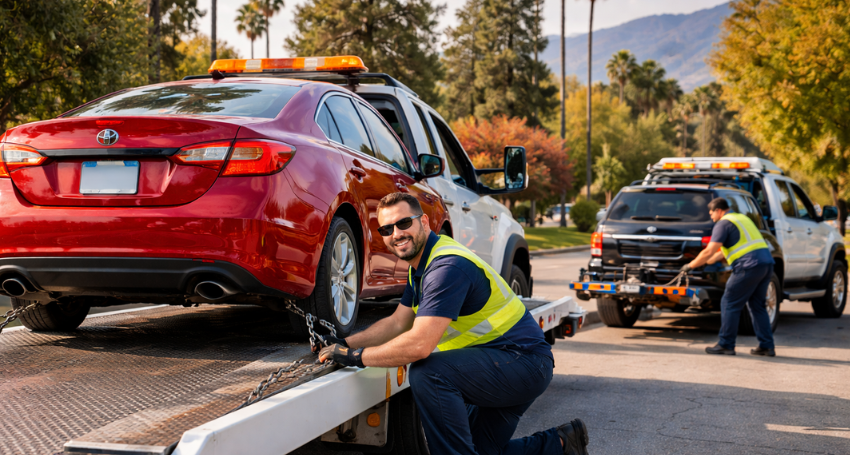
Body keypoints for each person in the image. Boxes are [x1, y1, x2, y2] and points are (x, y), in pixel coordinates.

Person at [318, 192, 590, 455]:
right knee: (480, 450)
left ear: (424, 222)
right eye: (387, 229)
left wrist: (356, 357)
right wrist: (344, 343)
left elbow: (419, 346)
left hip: (522, 363)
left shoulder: (446, 268)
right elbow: (398, 323)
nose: (396, 234)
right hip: (502, 363)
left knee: (429, 373)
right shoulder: (420, 267)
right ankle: (562, 444)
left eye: (404, 223)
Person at [681, 197, 776, 356]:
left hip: (747, 267)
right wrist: (710, 261)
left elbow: (708, 251)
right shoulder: (742, 219)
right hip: (766, 265)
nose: (711, 217)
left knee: (729, 303)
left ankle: (726, 344)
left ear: (718, 211)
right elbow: (737, 247)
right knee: (757, 305)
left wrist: (690, 265)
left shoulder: (723, 223)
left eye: (711, 213)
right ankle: (767, 346)